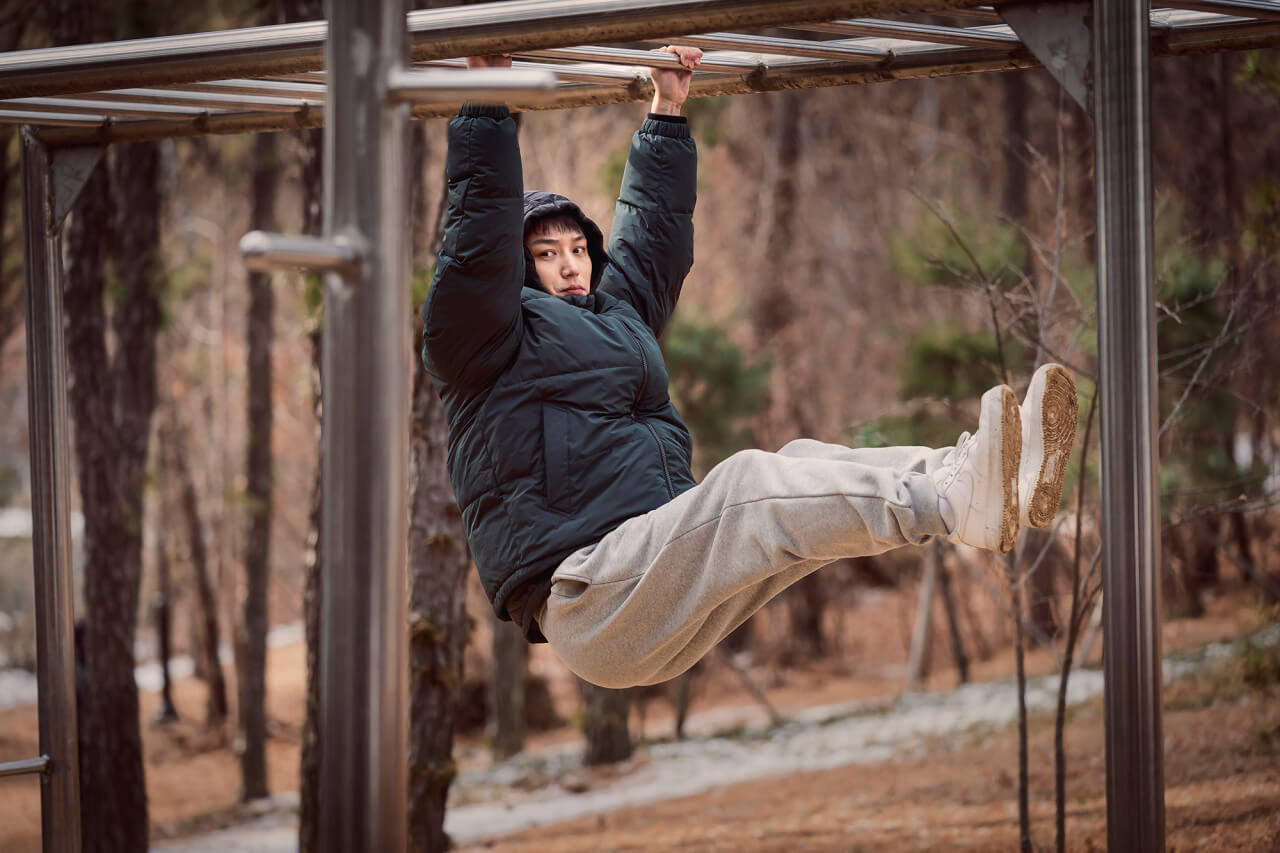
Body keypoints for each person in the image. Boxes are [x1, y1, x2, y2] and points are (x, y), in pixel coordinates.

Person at [420, 48, 1078, 690]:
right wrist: (487, 107)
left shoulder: (615, 319)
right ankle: (953, 502)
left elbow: (651, 239)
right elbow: (477, 234)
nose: (571, 265)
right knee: (749, 484)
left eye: (577, 249)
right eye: (545, 252)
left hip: (657, 577)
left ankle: (975, 479)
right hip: (592, 591)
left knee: (799, 462)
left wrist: (667, 111)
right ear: (515, 266)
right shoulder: (485, 336)